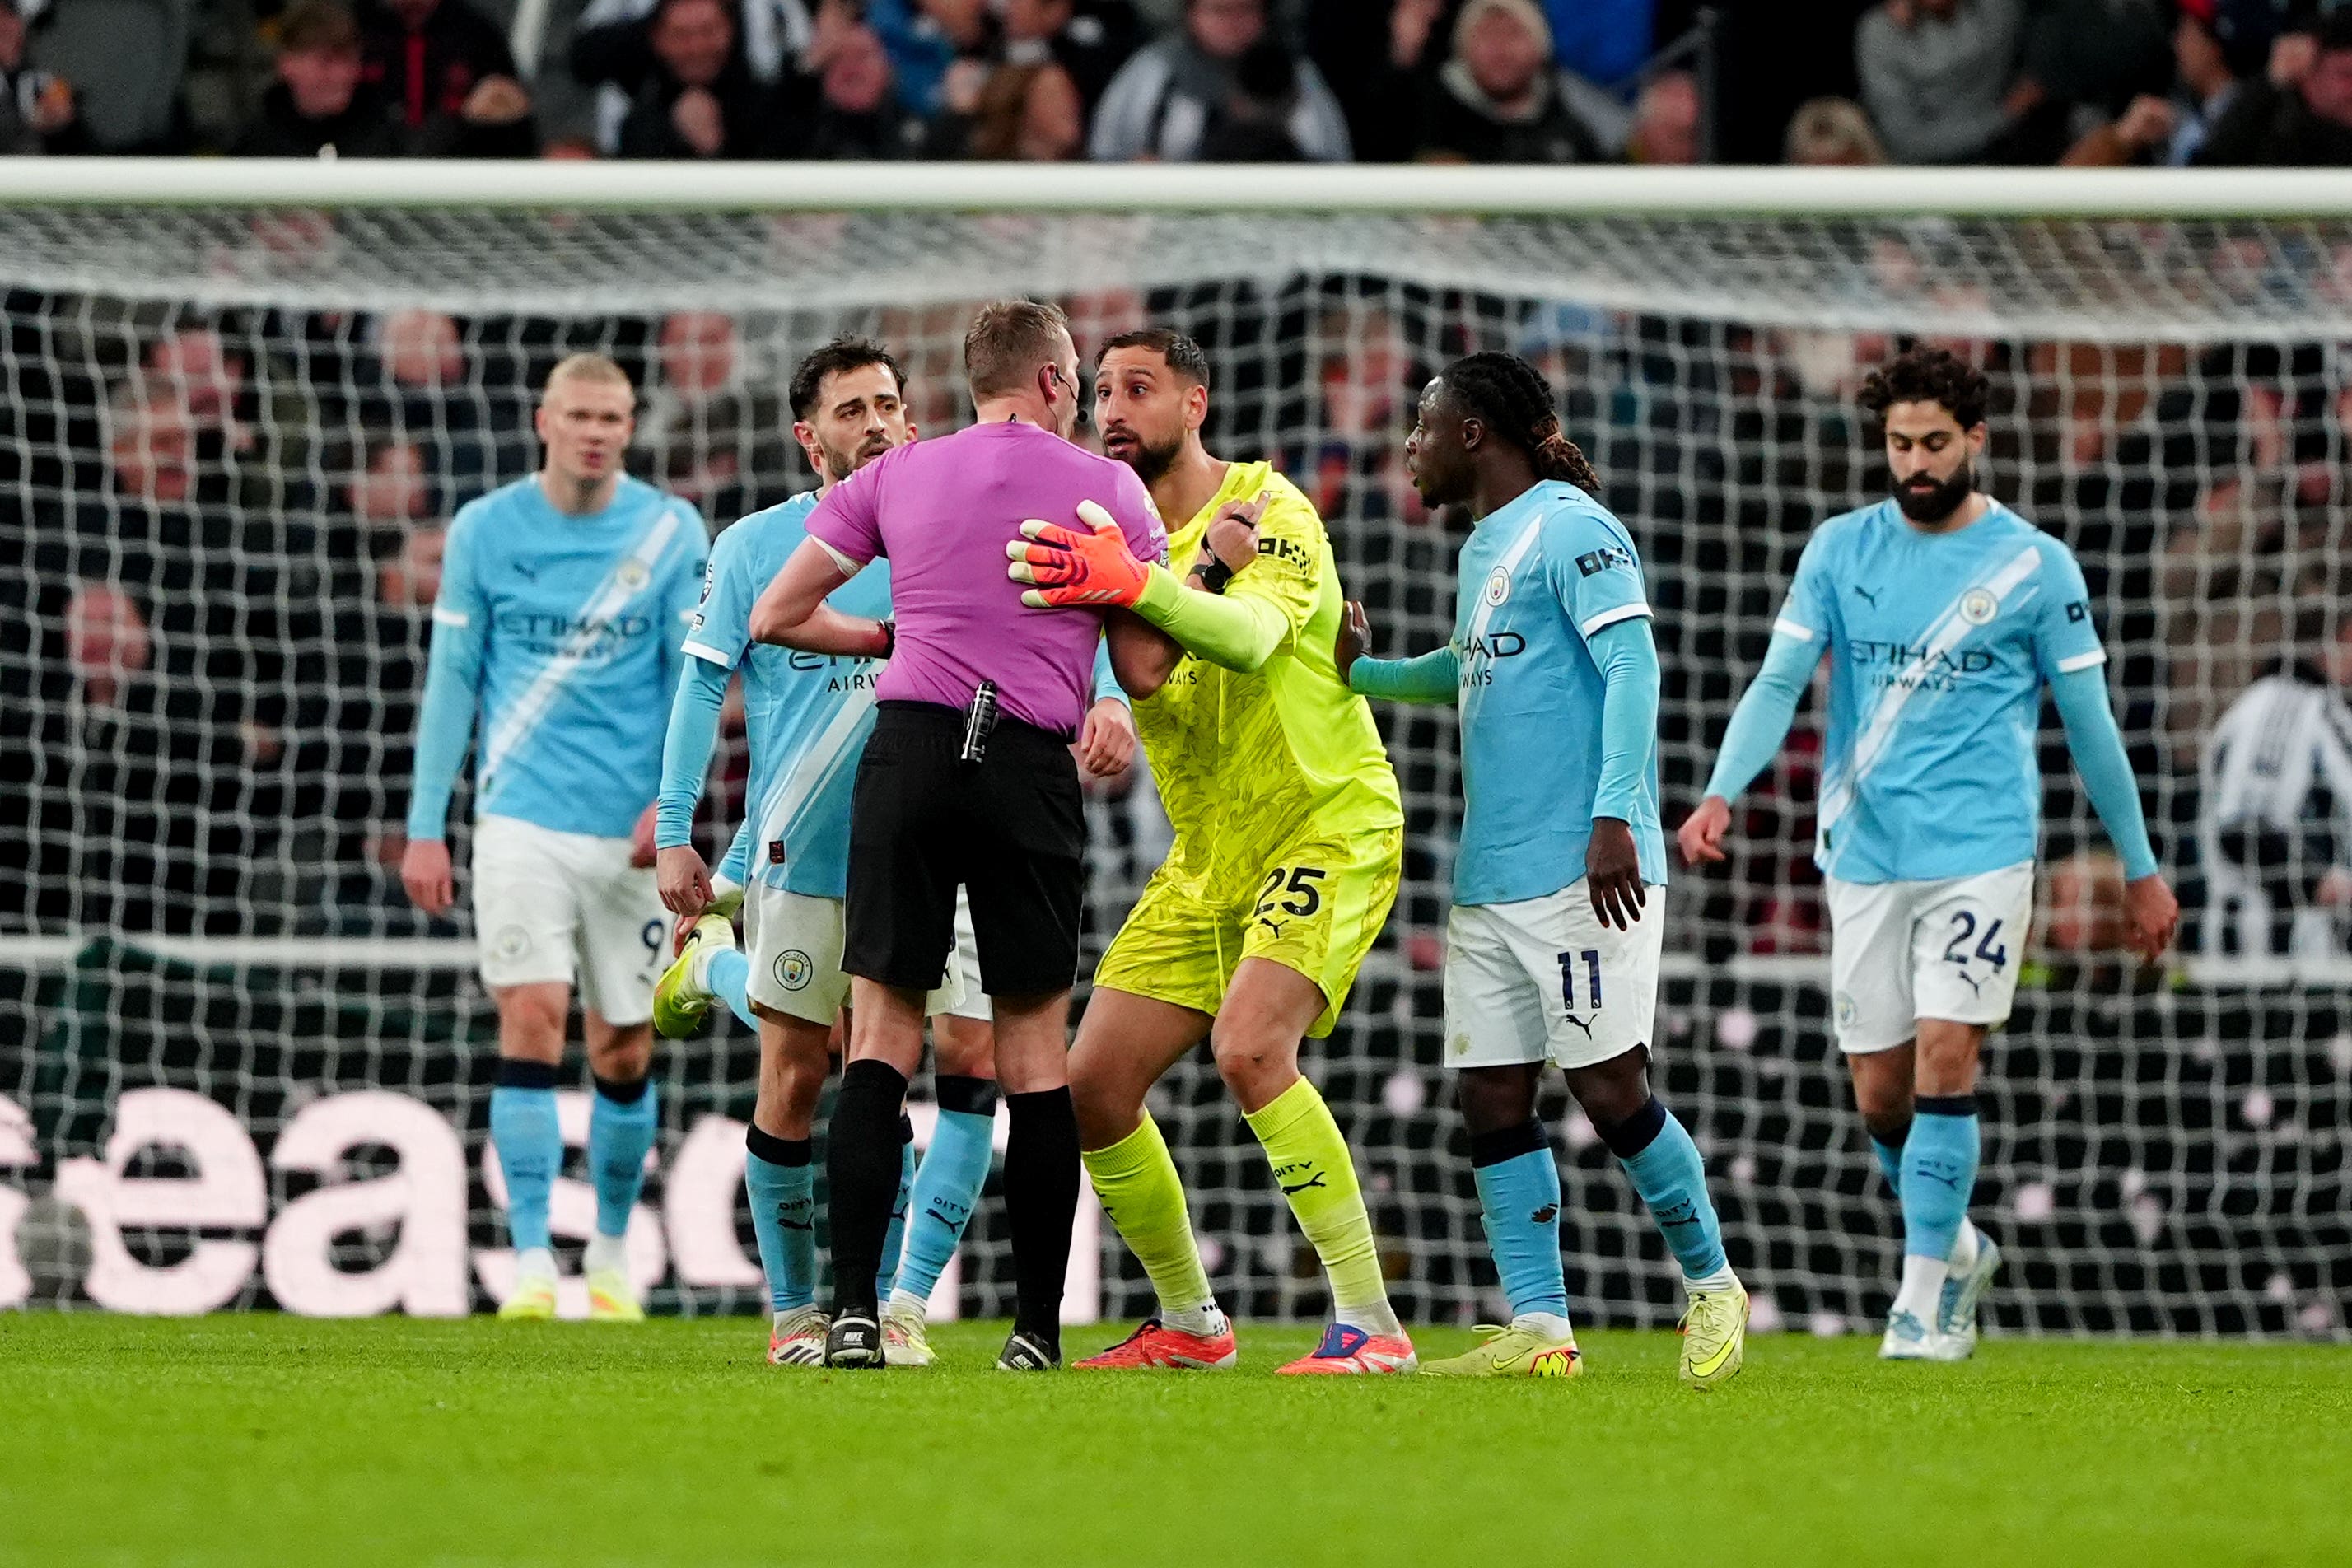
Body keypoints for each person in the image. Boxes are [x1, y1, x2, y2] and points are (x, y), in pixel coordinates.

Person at [1678, 346, 2180, 1361]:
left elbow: (2090, 728)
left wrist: (2140, 864)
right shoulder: (1837, 550)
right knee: (1880, 1092)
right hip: (1862, 851)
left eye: (1934, 443)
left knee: (1951, 1054)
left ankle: (1919, 1305)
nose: (1914, 460)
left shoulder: (2035, 567)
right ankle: (1952, 1242)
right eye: (1900, 442)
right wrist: (1720, 792)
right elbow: (1779, 684)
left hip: (1982, 850)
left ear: (1976, 442)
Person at [648, 337, 1136, 1365]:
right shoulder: (761, 545)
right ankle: (797, 1314)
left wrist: (1104, 699)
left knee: (957, 1050)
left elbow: (1054, 631)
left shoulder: (933, 516)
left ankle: (902, 1302)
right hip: (809, 842)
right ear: (808, 436)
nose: (874, 421)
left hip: (928, 805)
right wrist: (675, 824)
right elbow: (704, 682)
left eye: (887, 403)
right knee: (799, 1066)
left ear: (917, 414)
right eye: (850, 409)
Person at [1329, 352, 1748, 1386]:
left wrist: (1615, 813)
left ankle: (1713, 1283)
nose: (1411, 447)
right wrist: (1362, 672)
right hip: (1491, 876)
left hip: (1583, 866)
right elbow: (1469, 669)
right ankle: (1539, 1322)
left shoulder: (1574, 526)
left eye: (1423, 425)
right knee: (1491, 1096)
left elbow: (1632, 665)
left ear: (1475, 432)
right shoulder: (1484, 548)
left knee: (1609, 1087)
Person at [1007, 329, 1416, 1374]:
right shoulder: (1109, 540)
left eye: (1139, 388)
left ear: (1196, 401)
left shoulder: (1267, 505)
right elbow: (1137, 673)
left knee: (1249, 1049)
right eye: (1101, 390)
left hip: (1324, 816)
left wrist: (1152, 578)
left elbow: (1248, 638)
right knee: (1087, 1084)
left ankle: (1370, 1321)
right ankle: (1192, 1320)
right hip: (1209, 853)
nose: (1114, 408)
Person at [400, 354, 709, 1323]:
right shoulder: (485, 529)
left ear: (629, 425)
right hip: (518, 817)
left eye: (613, 416)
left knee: (622, 1046)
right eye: (580, 413)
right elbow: (453, 676)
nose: (596, 431)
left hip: (630, 833)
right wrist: (425, 826)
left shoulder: (670, 529)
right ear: (545, 418)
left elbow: (692, 677)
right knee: (529, 1016)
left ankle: (611, 1255)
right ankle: (532, 1262)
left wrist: (674, 806)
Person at [2196, 609, 2352, 959]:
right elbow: (2244, 828)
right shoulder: (2284, 705)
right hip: (2270, 953)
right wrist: (2325, 884)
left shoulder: (2320, 708)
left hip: (2316, 954)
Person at [1089, 0, 1352, 162]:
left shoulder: (1297, 73)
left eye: (1246, 10)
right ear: (1192, 13)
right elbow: (1107, 151)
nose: (1233, 23)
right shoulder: (1152, 69)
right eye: (1220, 11)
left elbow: (1331, 155)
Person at [1414, 0, 1605, 166]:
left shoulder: (1573, 128)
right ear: (1463, 46)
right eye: (1489, 34)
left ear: (1540, 47)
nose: (1501, 49)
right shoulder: (1422, 121)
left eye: (1513, 33)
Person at [1854, 0, 2033, 165]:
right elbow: (1908, 140)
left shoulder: (2000, 8)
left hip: (2008, 147)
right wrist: (2002, 116)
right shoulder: (1881, 33)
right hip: (1926, 170)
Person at [2195, 8, 2352, 167]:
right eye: (2346, 75)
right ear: (2310, 76)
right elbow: (2213, 160)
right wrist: (2268, 85)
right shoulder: (2277, 125)